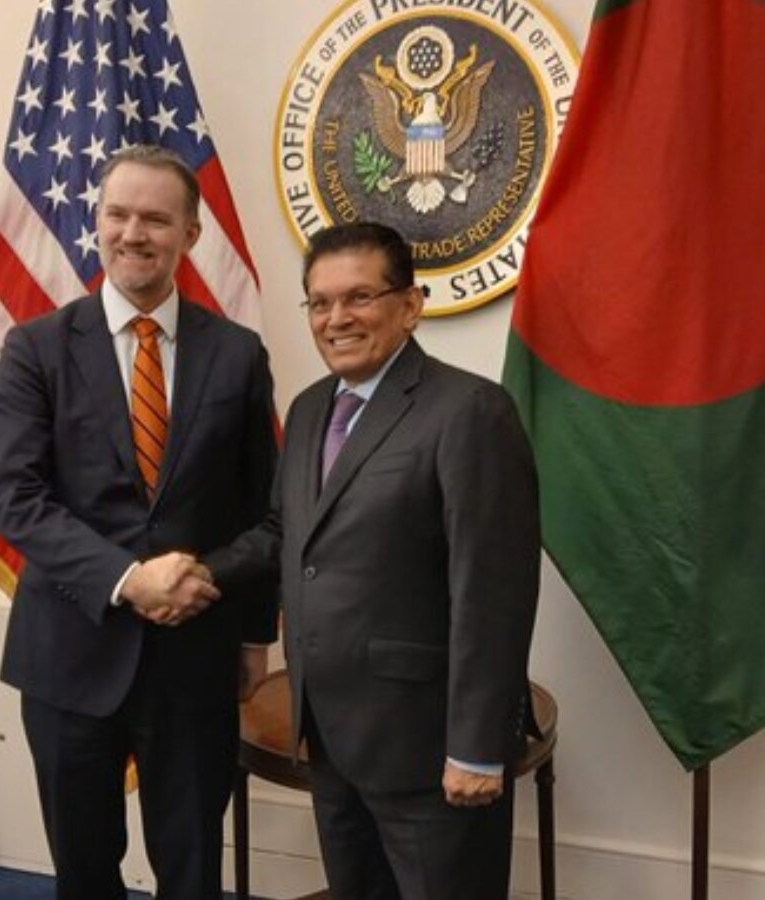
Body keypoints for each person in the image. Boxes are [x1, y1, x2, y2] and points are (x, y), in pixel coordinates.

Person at [206, 221, 541, 899]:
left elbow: (493, 590)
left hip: (428, 748)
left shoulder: (470, 411)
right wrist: (201, 572)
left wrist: (476, 747)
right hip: (331, 739)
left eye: (359, 297)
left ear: (410, 305)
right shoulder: (309, 411)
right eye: (320, 302)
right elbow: (286, 531)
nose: (337, 319)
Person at [0, 144, 277, 900]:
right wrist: (128, 580)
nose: (133, 233)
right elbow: (16, 498)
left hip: (196, 657)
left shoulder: (238, 354)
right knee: (84, 872)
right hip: (69, 655)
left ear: (191, 233)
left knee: (192, 867)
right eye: (117, 214)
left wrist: (253, 633)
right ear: (97, 221)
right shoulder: (35, 349)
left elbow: (261, 508)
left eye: (155, 218)